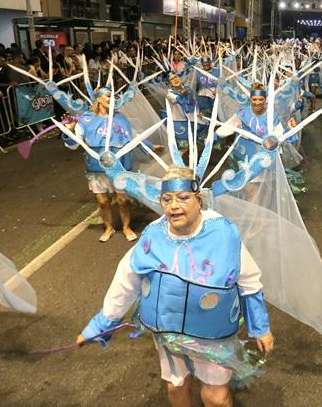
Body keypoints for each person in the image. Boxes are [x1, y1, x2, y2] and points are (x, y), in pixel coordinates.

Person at [76, 166, 274, 407]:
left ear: (198, 200)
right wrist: (99, 326)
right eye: (167, 199)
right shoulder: (153, 235)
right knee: (176, 388)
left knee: (217, 398)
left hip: (212, 334)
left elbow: (249, 280)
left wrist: (260, 326)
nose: (174, 206)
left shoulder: (223, 233)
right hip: (167, 332)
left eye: (183, 198)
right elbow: (126, 280)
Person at [62, 87, 139, 242]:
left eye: (113, 96)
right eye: (108, 96)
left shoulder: (121, 118)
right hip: (96, 167)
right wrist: (69, 131)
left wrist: (151, 147)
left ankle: (126, 227)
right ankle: (109, 228)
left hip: (119, 166)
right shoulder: (85, 120)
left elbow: (134, 139)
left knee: (122, 200)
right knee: (103, 202)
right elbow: (73, 145)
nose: (112, 99)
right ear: (98, 99)